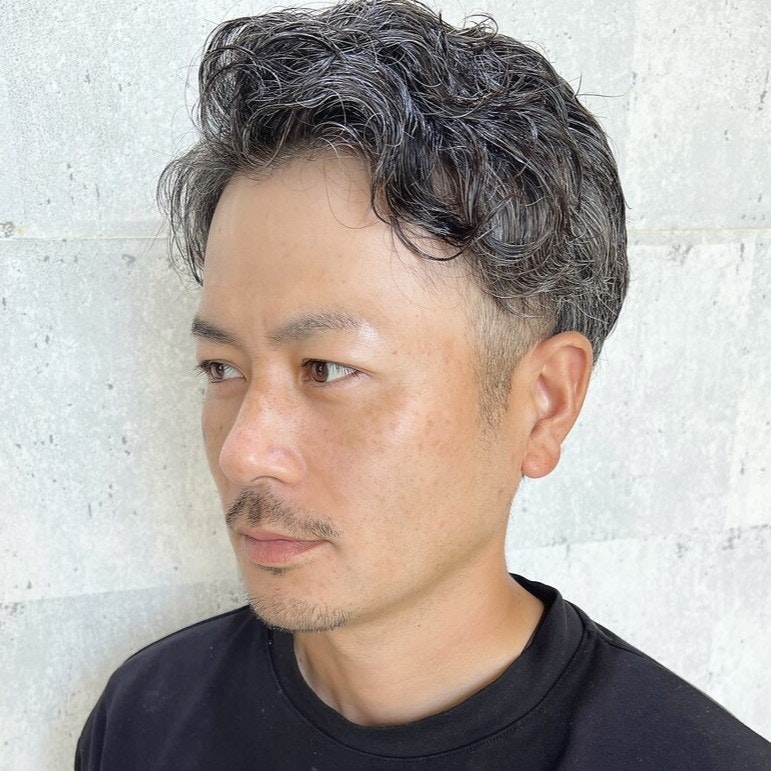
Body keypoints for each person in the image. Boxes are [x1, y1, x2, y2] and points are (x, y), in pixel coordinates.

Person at [76, 0, 770, 768]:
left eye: (327, 368)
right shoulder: (143, 718)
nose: (242, 452)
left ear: (543, 402)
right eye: (223, 369)